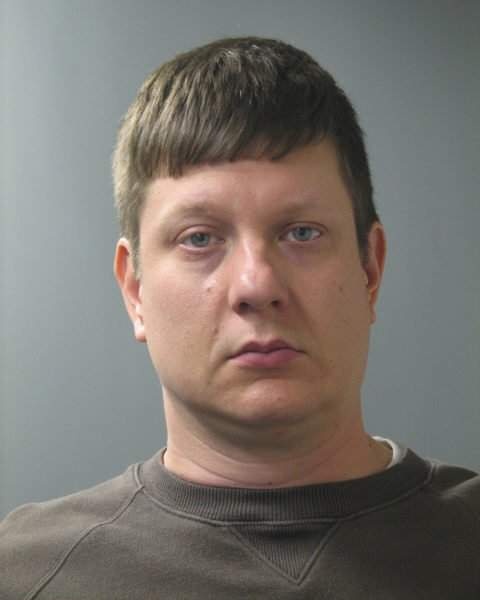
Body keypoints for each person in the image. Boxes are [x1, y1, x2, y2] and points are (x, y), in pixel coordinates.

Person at [1, 36, 478, 599]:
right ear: (135, 290)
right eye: (199, 238)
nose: (258, 286)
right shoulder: (22, 575)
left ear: (369, 268)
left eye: (302, 232)